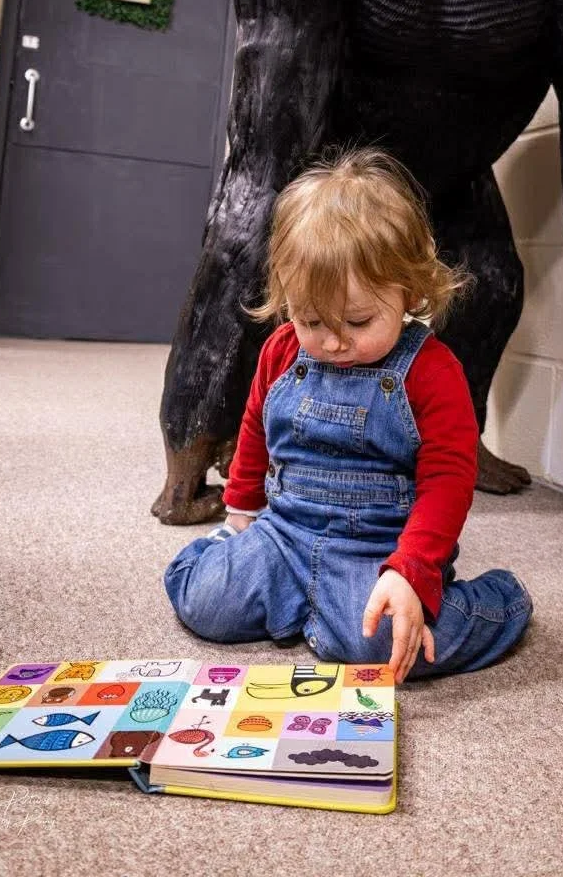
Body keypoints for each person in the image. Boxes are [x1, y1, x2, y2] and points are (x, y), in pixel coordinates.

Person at [164, 149, 532, 681]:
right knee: (206, 602)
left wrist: (411, 572)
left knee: (382, 648)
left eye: (359, 320)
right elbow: (255, 428)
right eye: (312, 319)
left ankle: (501, 601)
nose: (334, 341)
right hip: (284, 533)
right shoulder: (282, 351)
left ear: (407, 290)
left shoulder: (431, 370)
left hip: (378, 551)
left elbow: (449, 480)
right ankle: (295, 598)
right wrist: (241, 511)